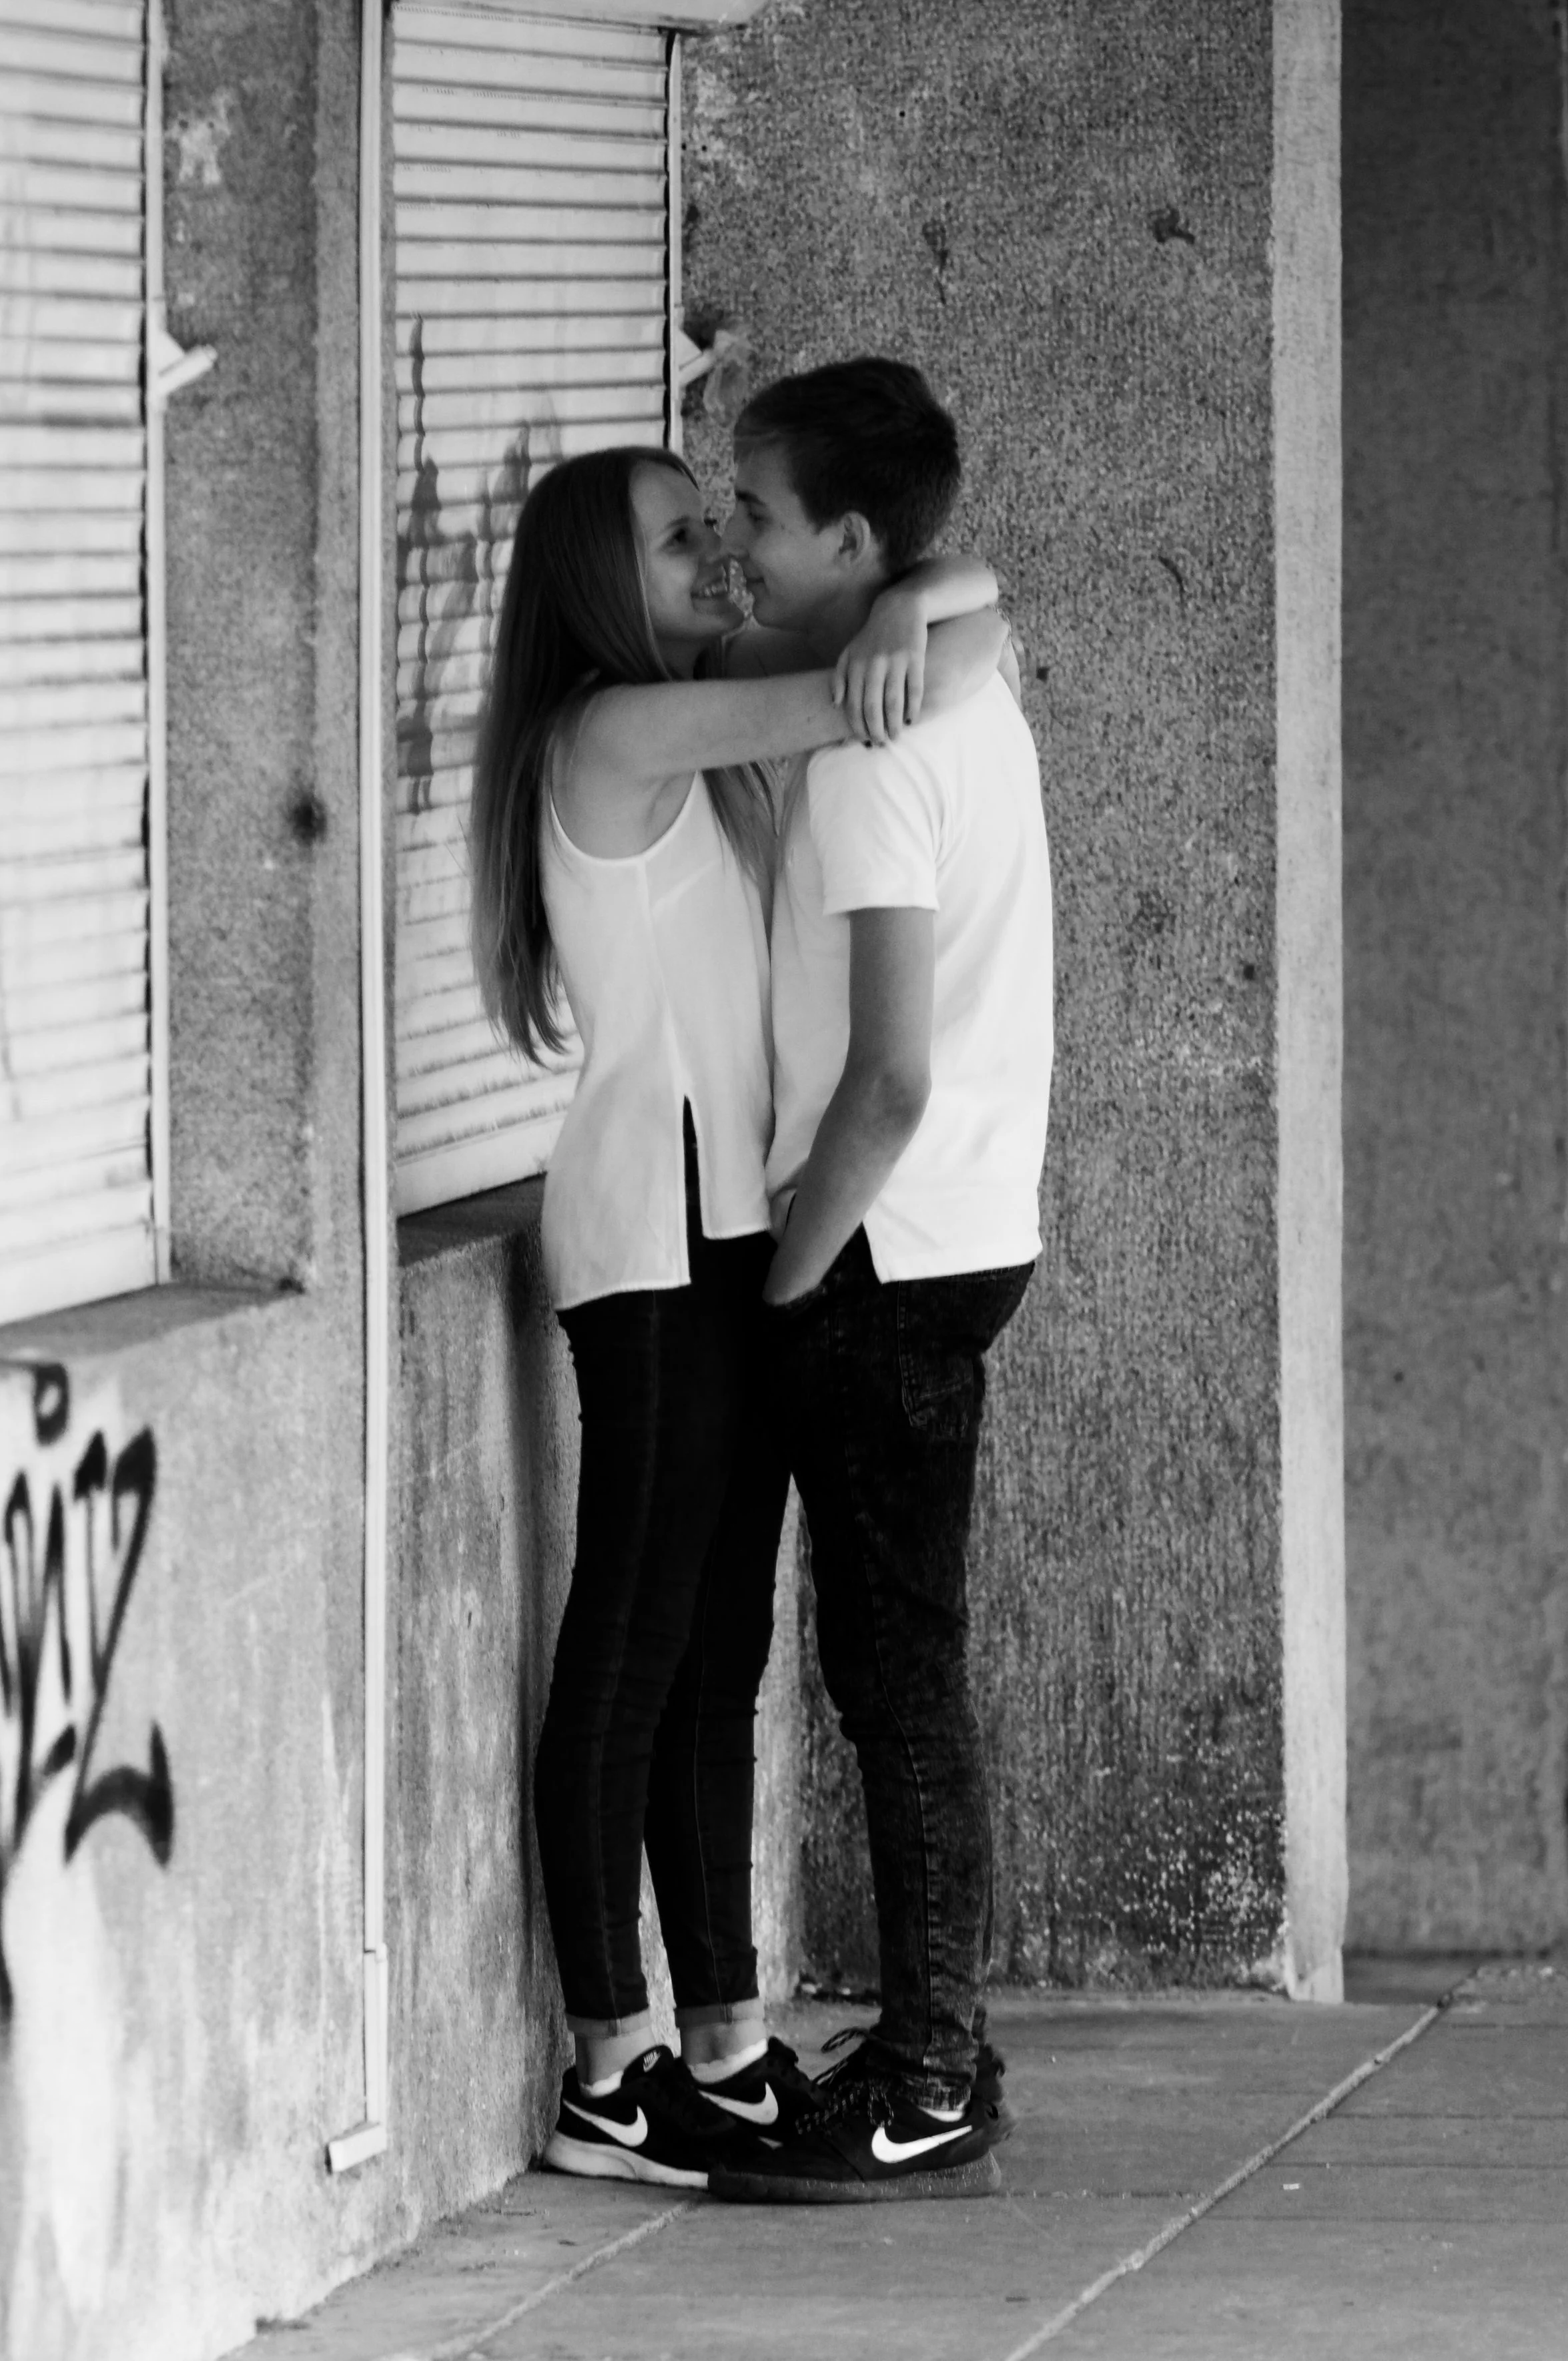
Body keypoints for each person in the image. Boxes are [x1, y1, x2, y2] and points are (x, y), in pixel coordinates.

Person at [468, 441, 1010, 2191]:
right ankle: (606, 2072)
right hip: (648, 1238)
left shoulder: (689, 728)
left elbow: (959, 637)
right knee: (630, 1649)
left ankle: (722, 2038)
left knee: (719, 1664)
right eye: (676, 539)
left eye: (723, 523)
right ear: (597, 584)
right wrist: (922, 607)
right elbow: (908, 679)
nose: (716, 552)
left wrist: (930, 592)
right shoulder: (615, 732)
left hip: (729, 1229)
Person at [709, 361, 1054, 2205]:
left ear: (851, 540)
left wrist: (788, 1277)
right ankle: (941, 2046)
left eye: (756, 511)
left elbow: (888, 1077)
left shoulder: (867, 755)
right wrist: (938, 593)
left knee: (897, 1676)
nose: (732, 538)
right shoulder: (960, 687)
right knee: (902, 1664)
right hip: (955, 1234)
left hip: (881, 1250)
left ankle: (926, 2073)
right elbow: (976, 592)